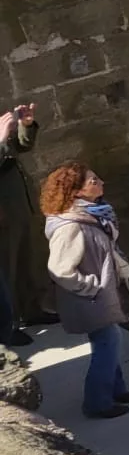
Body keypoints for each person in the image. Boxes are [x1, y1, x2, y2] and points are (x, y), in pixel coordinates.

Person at [42, 163, 129, 419]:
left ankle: (116, 390)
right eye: (93, 180)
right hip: (91, 298)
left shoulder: (94, 215)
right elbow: (60, 269)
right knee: (107, 343)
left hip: (101, 295)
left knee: (111, 340)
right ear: (76, 192)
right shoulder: (70, 226)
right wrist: (90, 288)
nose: (101, 182)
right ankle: (97, 403)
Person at [0, 103, 46, 344]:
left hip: (17, 205)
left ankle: (31, 311)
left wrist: (25, 127)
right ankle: (7, 327)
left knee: (26, 262)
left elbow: (19, 147)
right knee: (5, 271)